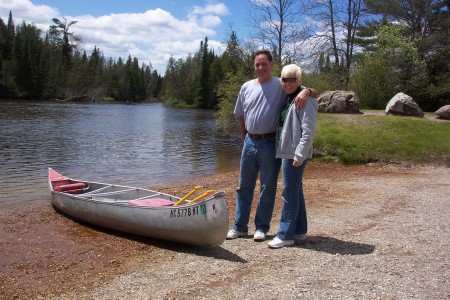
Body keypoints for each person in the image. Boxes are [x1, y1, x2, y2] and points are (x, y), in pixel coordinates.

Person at [227, 50, 317, 241]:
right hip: (250, 141)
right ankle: (239, 226)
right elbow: (241, 115)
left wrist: (307, 91)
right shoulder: (246, 86)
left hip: (270, 142)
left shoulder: (280, 83)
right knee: (244, 186)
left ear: (271, 65)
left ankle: (261, 227)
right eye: (257, 64)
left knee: (268, 187)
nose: (260, 67)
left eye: (264, 64)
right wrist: (245, 138)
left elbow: (301, 86)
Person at [267, 64, 318, 248]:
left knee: (289, 192)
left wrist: (299, 155)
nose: (288, 83)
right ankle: (300, 230)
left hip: (294, 154)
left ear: (299, 81)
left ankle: (285, 235)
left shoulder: (305, 100)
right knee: (296, 190)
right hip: (287, 151)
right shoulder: (289, 97)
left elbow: (308, 131)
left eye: (292, 79)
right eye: (285, 79)